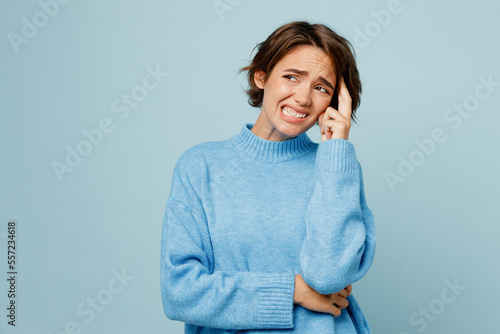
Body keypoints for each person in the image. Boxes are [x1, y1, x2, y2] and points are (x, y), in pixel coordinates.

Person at [160, 20, 376, 333]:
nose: (303, 98)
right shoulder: (201, 166)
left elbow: (329, 276)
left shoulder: (337, 168)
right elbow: (180, 294)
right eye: (292, 77)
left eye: (321, 88)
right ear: (261, 77)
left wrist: (335, 152)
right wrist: (292, 292)